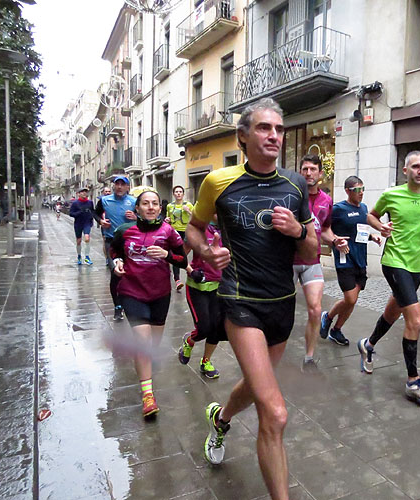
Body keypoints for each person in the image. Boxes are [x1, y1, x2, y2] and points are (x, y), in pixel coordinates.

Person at [186, 97, 317, 500]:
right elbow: (194, 228)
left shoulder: (295, 185)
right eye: (264, 128)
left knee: (256, 386)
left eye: (279, 129)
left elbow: (313, 249)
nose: (274, 135)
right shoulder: (218, 182)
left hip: (283, 304)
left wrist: (298, 230)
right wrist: (206, 252)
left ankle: (221, 417)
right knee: (274, 412)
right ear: (243, 136)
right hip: (240, 302)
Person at [360, 150, 420, 404]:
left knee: (393, 312)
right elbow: (370, 215)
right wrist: (380, 226)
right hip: (394, 261)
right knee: (416, 321)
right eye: (415, 166)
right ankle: (413, 381)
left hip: (416, 266)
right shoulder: (392, 195)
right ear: (405, 170)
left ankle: (368, 344)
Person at [110, 190, 187, 418]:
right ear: (137, 208)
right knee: (143, 343)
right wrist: (117, 262)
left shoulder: (169, 232)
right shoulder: (125, 231)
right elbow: (114, 250)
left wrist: (166, 254)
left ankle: (146, 367)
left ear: (160, 208)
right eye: (145, 203)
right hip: (131, 292)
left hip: (160, 294)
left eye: (154, 203)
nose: (151, 207)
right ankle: (148, 396)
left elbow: (182, 260)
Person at [292, 153, 349, 371]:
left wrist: (335, 240)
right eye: (305, 169)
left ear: (320, 173)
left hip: (312, 261)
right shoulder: (292, 196)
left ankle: (309, 357)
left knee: (315, 310)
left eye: (313, 169)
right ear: (300, 172)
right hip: (287, 261)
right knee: (280, 311)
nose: (309, 173)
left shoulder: (326, 201)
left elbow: (324, 229)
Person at [320, 176, 381, 344]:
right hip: (344, 258)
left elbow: (360, 232)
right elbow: (325, 229)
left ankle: (336, 330)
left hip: (360, 259)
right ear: (347, 191)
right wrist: (335, 240)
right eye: (357, 190)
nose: (361, 193)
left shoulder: (364, 208)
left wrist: (372, 237)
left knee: (352, 301)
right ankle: (328, 316)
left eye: (362, 189)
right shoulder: (338, 209)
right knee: (350, 299)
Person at [178, 216, 223, 379]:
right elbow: (180, 255)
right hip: (197, 288)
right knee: (203, 328)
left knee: (216, 329)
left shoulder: (230, 228)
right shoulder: (198, 229)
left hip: (220, 287)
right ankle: (189, 341)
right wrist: (191, 271)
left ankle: (206, 361)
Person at [95, 176, 137, 321]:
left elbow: (144, 217)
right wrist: (100, 221)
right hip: (112, 241)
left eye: (122, 184)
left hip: (130, 241)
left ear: (127, 187)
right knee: (115, 273)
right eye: (117, 184)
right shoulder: (104, 200)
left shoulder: (134, 201)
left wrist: (135, 217)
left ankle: (130, 301)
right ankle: (118, 307)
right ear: (113, 186)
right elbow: (95, 213)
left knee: (130, 273)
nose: (119, 187)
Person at [166, 186, 194, 291]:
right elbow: (168, 218)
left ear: (183, 194)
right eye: (176, 192)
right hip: (174, 232)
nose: (178, 193)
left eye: (180, 192)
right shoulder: (169, 206)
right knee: (177, 256)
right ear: (173, 194)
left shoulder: (188, 205)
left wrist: (189, 211)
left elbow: (196, 216)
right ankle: (177, 279)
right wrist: (167, 220)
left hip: (186, 232)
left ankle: (190, 272)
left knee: (183, 255)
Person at [69, 187, 95, 266]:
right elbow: (71, 213)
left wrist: (91, 220)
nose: (84, 193)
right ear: (78, 194)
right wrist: (79, 212)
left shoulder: (90, 202)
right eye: (82, 192)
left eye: (85, 192)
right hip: (78, 224)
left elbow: (92, 211)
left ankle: (87, 257)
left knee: (87, 238)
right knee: (79, 241)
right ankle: (79, 256)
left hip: (87, 223)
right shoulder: (75, 203)